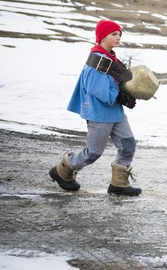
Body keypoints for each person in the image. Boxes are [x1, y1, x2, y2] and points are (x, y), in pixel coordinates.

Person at [49, 19, 141, 196]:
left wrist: (128, 95)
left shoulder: (110, 59)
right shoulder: (96, 62)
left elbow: (115, 84)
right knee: (93, 152)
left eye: (119, 35)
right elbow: (96, 89)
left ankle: (119, 183)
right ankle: (63, 169)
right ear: (101, 37)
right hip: (99, 114)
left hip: (115, 112)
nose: (118, 38)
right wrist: (119, 97)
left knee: (128, 143)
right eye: (114, 34)